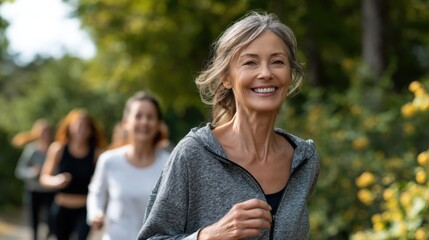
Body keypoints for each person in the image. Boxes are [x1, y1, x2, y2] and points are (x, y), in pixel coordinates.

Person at [138, 11, 320, 240]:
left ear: (290, 74)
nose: (265, 73)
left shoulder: (304, 160)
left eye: (277, 62)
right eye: (250, 62)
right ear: (226, 77)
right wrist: (208, 236)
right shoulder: (193, 154)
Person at [87, 91, 170, 239]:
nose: (144, 122)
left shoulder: (169, 163)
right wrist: (96, 213)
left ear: (158, 125)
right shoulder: (109, 160)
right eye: (138, 116)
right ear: (126, 123)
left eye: (150, 117)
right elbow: (96, 193)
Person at [40, 108, 106, 240]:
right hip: (61, 208)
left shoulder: (96, 154)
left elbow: (103, 183)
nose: (81, 128)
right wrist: (56, 181)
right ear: (69, 126)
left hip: (84, 210)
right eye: (78, 124)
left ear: (90, 130)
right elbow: (44, 178)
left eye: (85, 125)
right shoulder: (58, 149)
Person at [13, 119, 56, 240]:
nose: (45, 135)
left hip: (50, 190)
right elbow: (20, 170)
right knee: (34, 220)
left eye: (47, 132)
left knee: (52, 219)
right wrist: (32, 172)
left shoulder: (55, 148)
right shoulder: (31, 149)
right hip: (34, 189)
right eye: (42, 132)